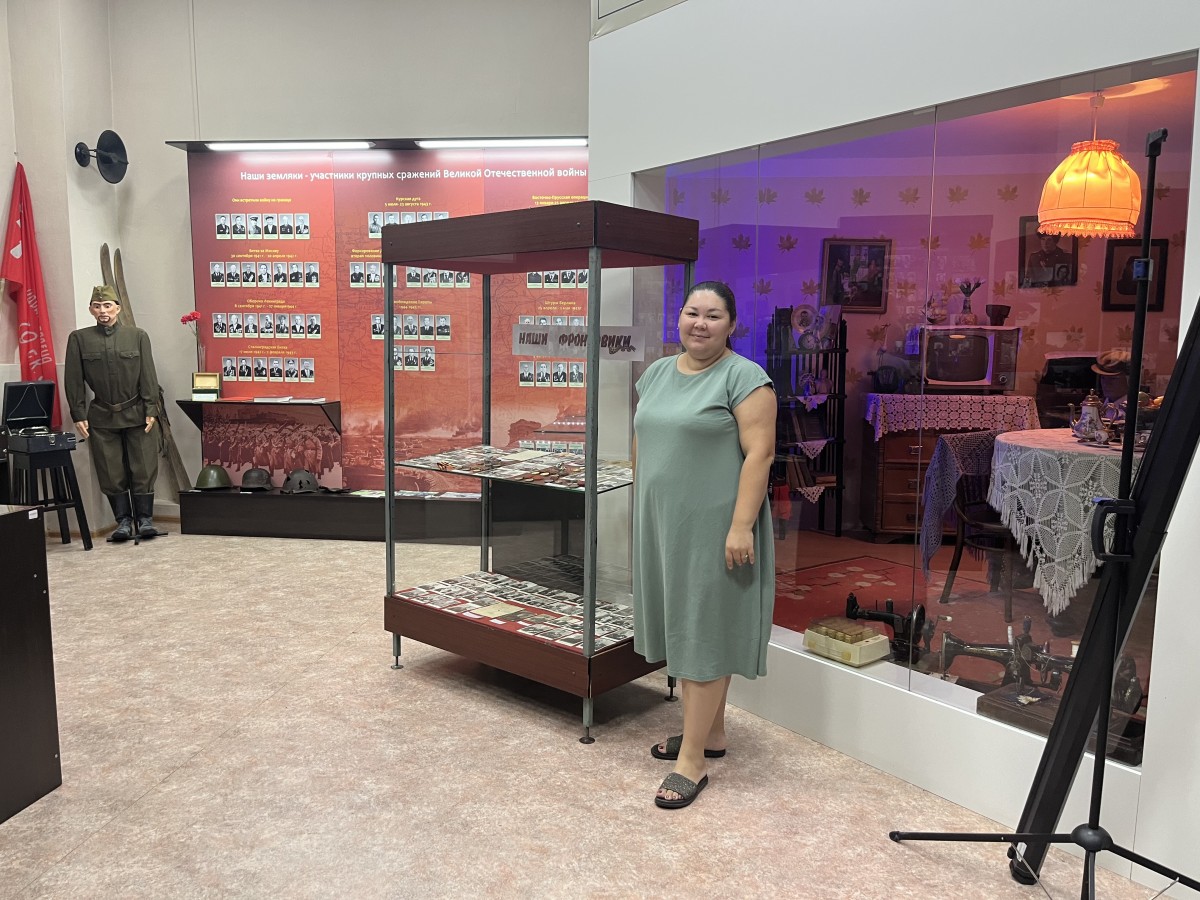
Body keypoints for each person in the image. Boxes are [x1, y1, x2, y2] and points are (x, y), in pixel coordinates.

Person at [632, 280, 775, 809]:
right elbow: (644, 436)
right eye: (692, 312)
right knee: (688, 624)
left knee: (703, 633)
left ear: (731, 325)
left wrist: (741, 526)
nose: (700, 323)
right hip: (664, 524)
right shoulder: (656, 373)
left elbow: (759, 455)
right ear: (679, 318)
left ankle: (692, 761)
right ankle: (710, 734)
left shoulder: (745, 379)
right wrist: (643, 496)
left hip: (716, 526)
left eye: (714, 315)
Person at [64, 285, 163, 542]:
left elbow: (148, 375)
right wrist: (78, 413)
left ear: (117, 308)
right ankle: (123, 522)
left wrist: (151, 408)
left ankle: (145, 520)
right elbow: (73, 378)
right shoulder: (79, 339)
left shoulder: (137, 336)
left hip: (137, 413)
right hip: (102, 416)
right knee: (110, 471)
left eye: (107, 306)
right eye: (97, 306)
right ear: (90, 310)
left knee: (144, 468)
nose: (103, 311)